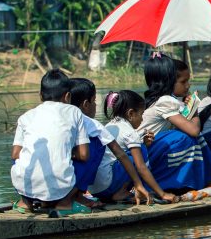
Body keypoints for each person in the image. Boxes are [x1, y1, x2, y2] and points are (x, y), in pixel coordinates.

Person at [10, 70, 93, 212]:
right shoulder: (74, 112)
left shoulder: (25, 117)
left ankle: (25, 203)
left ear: (40, 95)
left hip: (25, 185)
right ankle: (65, 203)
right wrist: (69, 153)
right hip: (62, 185)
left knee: (19, 159)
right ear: (67, 96)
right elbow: (84, 155)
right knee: (88, 158)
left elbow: (15, 154)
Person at [69, 78, 157, 206]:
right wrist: (157, 191)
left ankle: (76, 193)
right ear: (86, 104)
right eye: (94, 101)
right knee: (98, 145)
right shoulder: (93, 125)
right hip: (98, 184)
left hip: (76, 183)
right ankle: (77, 194)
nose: (96, 105)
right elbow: (121, 154)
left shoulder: (60, 122)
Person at [138, 53, 211, 192]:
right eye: (183, 82)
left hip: (146, 152)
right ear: (168, 81)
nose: (188, 85)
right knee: (188, 136)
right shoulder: (165, 101)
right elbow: (193, 130)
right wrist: (194, 109)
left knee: (186, 134)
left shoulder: (158, 100)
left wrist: (188, 107)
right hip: (146, 154)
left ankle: (207, 178)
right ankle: (199, 180)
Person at [95, 89, 176, 204]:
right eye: (141, 114)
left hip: (96, 189)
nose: (142, 119)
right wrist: (162, 194)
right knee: (141, 151)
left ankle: (120, 191)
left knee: (139, 149)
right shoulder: (129, 132)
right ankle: (128, 191)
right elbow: (141, 167)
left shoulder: (109, 125)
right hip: (108, 184)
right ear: (131, 114)